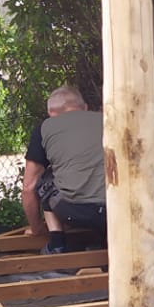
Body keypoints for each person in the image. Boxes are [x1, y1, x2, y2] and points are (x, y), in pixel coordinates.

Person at [22, 86, 107, 253]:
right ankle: (106, 239)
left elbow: (28, 187)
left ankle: (57, 243)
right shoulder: (107, 120)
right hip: (118, 211)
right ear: (85, 107)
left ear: (51, 113)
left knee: (46, 178)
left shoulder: (45, 128)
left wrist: (36, 228)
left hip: (73, 211)